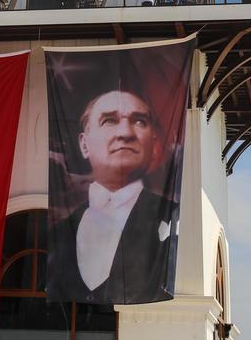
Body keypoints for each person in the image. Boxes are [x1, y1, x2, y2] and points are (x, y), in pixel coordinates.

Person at [47, 88, 176, 304]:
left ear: (154, 145)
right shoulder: (58, 232)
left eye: (139, 122)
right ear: (84, 144)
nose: (125, 133)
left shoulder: (175, 215)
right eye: (109, 121)